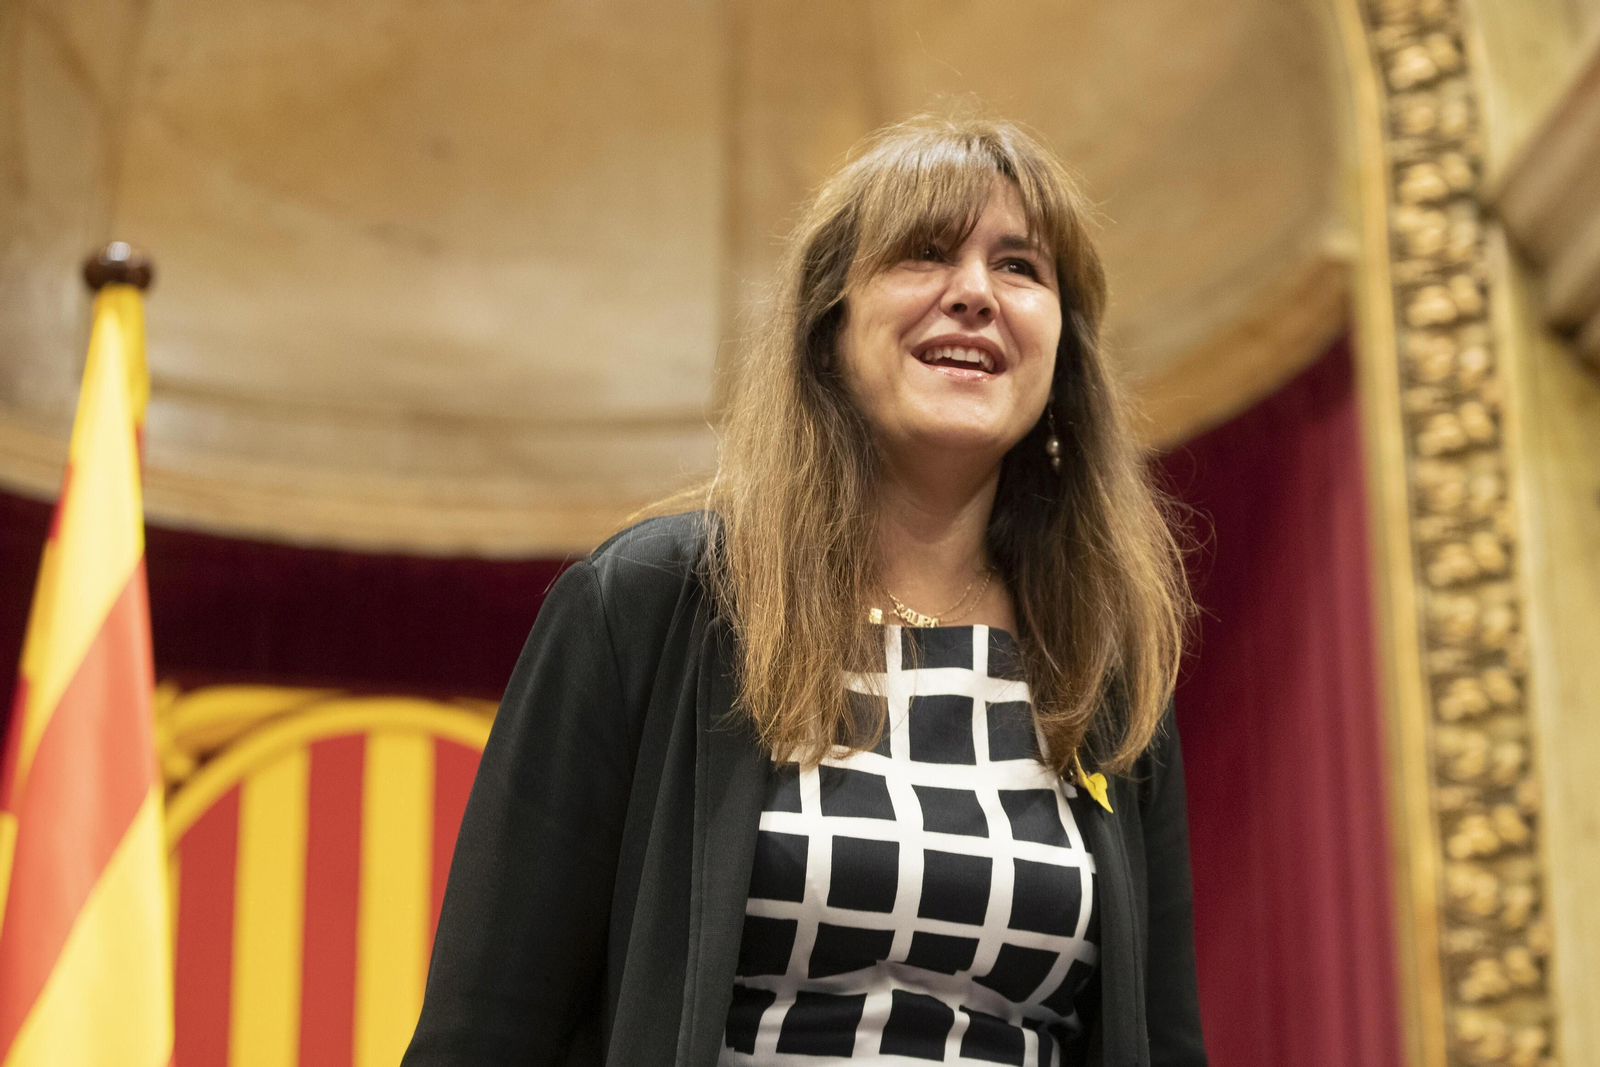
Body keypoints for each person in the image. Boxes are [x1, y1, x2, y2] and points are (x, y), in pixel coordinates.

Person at [403, 113, 1205, 1067]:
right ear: (830, 324)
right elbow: (486, 1031)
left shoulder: (1102, 667)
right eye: (925, 254)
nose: (976, 294)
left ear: (1063, 351)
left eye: (1021, 267)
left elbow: (1159, 1044)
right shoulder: (654, 605)